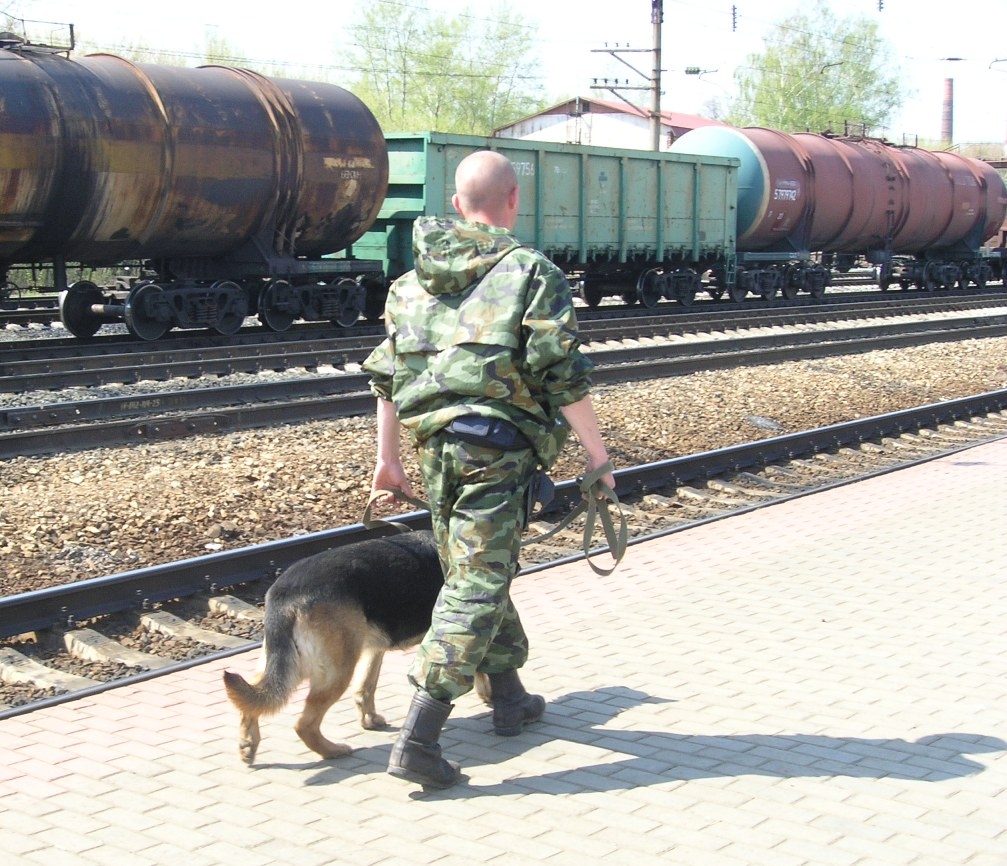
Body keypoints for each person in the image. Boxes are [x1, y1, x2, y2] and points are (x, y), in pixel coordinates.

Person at [363, 149, 614, 788]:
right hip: (497, 455)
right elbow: (562, 372)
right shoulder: (531, 273)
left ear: (455, 205)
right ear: (512, 203)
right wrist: (597, 453)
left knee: (468, 569)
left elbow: (389, 379)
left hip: (435, 453)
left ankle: (506, 695)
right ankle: (419, 734)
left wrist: (387, 461)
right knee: (476, 583)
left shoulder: (407, 283)